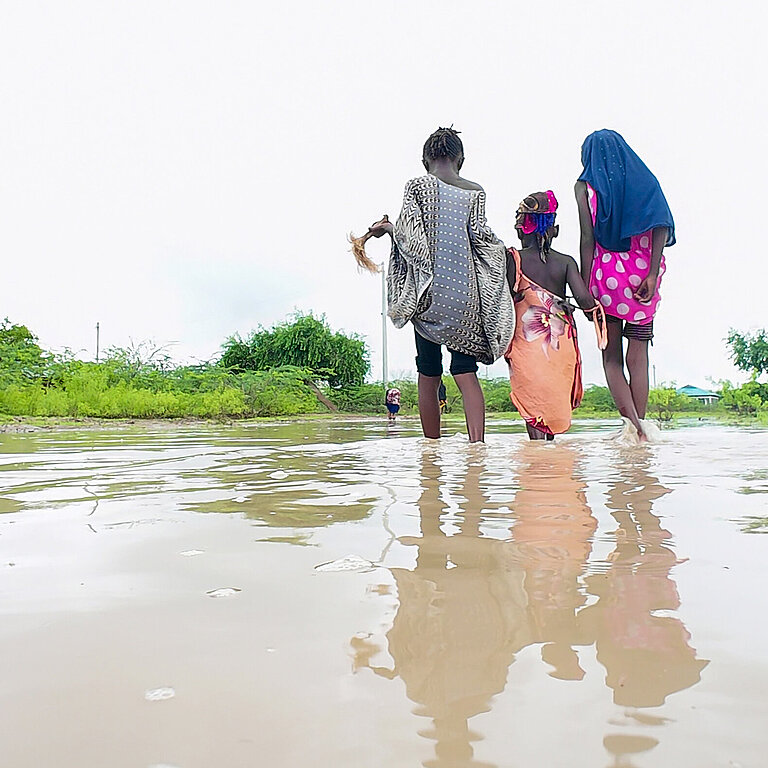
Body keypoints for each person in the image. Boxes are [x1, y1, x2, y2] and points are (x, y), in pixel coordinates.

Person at [361, 127, 514, 443]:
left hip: (427, 294)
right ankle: (477, 447)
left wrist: (389, 227)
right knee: (465, 371)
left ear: (423, 160)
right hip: (466, 298)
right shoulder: (475, 192)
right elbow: (483, 241)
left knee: (429, 372)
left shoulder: (417, 186)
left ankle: (431, 449)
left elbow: (412, 239)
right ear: (461, 160)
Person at [575, 130, 675, 441]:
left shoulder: (584, 188)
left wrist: (585, 287)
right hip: (643, 277)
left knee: (611, 358)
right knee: (639, 354)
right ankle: (641, 426)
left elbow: (587, 240)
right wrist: (652, 272)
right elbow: (662, 224)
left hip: (607, 279)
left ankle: (632, 427)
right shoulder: (645, 181)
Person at [504, 191, 605, 440]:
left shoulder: (513, 259)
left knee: (534, 405)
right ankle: (551, 465)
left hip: (527, 345)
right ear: (555, 230)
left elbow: (503, 301)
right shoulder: (566, 262)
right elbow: (585, 301)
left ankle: (538, 463)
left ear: (520, 228)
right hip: (560, 345)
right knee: (551, 402)